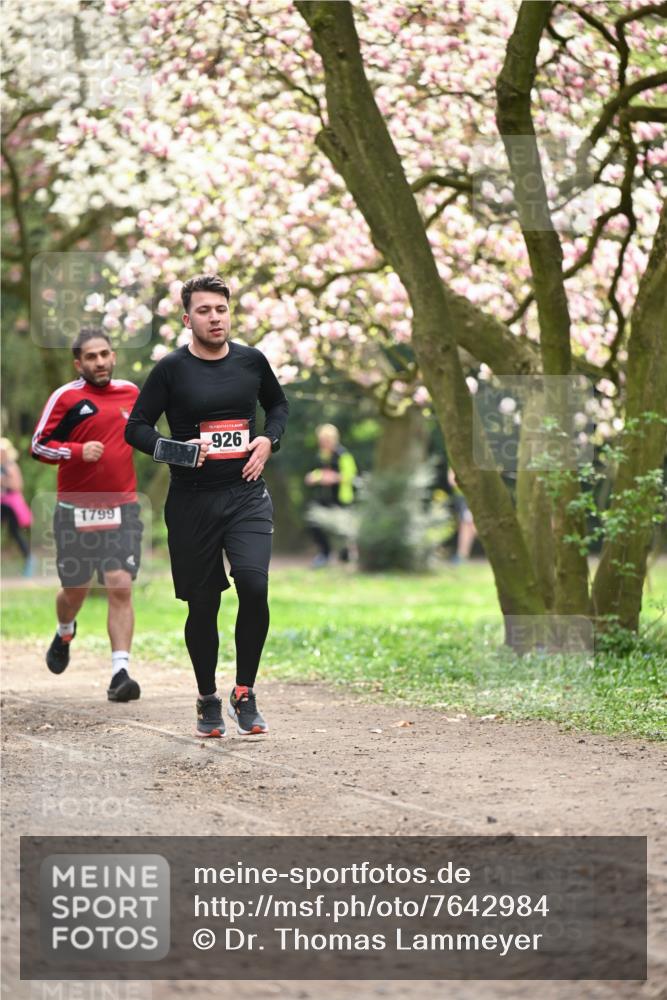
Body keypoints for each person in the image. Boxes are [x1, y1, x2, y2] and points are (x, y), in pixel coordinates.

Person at [125, 274, 288, 738]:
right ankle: (207, 699)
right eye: (204, 311)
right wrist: (176, 450)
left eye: (220, 309)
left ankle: (244, 693)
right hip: (192, 502)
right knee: (203, 605)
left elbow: (278, 405)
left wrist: (267, 439)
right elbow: (136, 427)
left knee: (254, 586)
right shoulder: (171, 370)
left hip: (245, 494)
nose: (214, 318)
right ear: (187, 318)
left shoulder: (252, 361)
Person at [31, 327, 142, 702]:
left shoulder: (131, 393)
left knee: (119, 582)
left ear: (113, 356)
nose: (100, 362)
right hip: (76, 511)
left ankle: (120, 673)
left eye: (105, 354)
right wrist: (77, 452)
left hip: (123, 507)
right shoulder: (67, 397)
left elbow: (147, 436)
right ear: (78, 363)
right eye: (91, 357)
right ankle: (65, 629)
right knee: (75, 590)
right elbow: (38, 446)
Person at [304, 423, 357, 567]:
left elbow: (349, 475)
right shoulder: (321, 455)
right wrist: (316, 477)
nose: (323, 444)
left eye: (326, 440)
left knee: (342, 531)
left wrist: (332, 477)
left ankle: (345, 558)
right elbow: (317, 473)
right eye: (321, 441)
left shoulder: (343, 455)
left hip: (341, 499)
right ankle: (324, 554)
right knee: (314, 524)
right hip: (324, 499)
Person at [1, 437, 33, 576]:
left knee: (15, 533)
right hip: (2, 504)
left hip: (12, 505)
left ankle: (29, 560)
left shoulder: (11, 467)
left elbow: (17, 486)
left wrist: (4, 481)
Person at [447, 466, 477, 564]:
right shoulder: (457, 461)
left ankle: (462, 554)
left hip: (472, 498)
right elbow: (451, 480)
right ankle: (462, 554)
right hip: (463, 498)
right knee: (466, 525)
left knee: (469, 526)